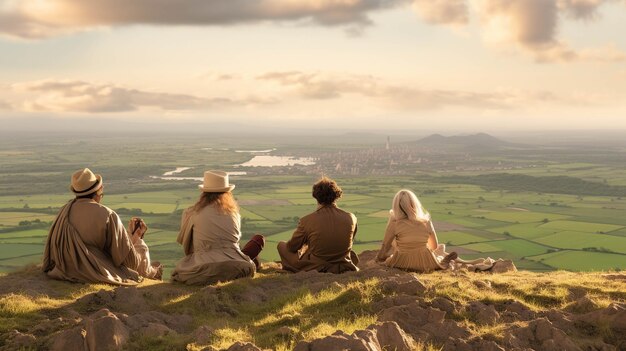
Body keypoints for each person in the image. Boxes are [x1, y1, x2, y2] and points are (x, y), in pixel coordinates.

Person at [42, 168, 162, 285]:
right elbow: (130, 262)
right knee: (141, 249)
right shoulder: (107, 214)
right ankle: (153, 273)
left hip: (61, 269)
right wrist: (137, 238)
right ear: (98, 191)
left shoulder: (64, 211)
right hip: (92, 271)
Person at [171, 170, 265, 285]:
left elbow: (187, 247)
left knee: (179, 273)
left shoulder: (191, 213)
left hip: (203, 268)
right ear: (227, 193)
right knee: (256, 242)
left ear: (204, 193)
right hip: (236, 267)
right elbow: (235, 241)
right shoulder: (234, 213)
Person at [278, 176, 359, 274]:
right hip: (343, 264)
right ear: (336, 195)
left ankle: (293, 269)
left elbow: (292, 247)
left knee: (281, 245)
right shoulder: (351, 218)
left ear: (316, 196)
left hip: (317, 267)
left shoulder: (307, 220)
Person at [375, 189, 457, 272]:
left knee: (395, 241)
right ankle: (443, 259)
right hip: (425, 263)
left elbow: (385, 245)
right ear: (415, 204)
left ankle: (442, 258)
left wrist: (379, 258)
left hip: (401, 262)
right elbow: (434, 246)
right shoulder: (426, 221)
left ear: (396, 206)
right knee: (438, 251)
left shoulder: (395, 223)